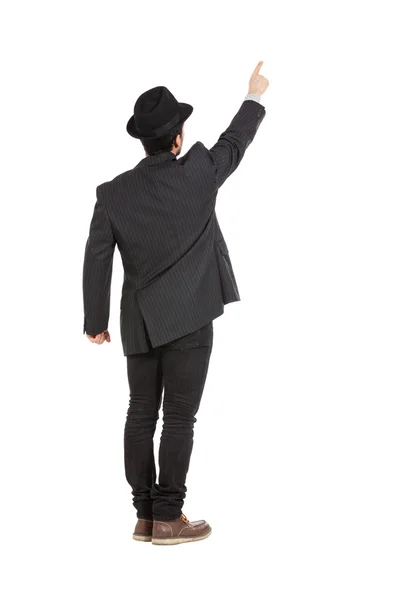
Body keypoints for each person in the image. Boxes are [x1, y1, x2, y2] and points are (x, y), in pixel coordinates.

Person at [82, 61, 269, 545]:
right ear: (178, 138)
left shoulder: (113, 193)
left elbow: (97, 257)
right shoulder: (199, 173)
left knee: (140, 412)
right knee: (179, 417)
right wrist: (253, 95)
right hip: (188, 320)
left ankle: (144, 516)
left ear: (142, 141)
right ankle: (169, 516)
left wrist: (95, 320)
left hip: (139, 323)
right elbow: (235, 142)